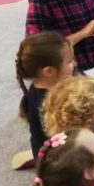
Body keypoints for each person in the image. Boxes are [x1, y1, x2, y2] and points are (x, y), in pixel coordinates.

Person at [15, 31, 76, 164]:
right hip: (57, 161)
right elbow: (73, 137)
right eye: (69, 61)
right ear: (49, 71)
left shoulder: (43, 85)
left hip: (51, 146)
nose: (74, 64)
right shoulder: (49, 103)